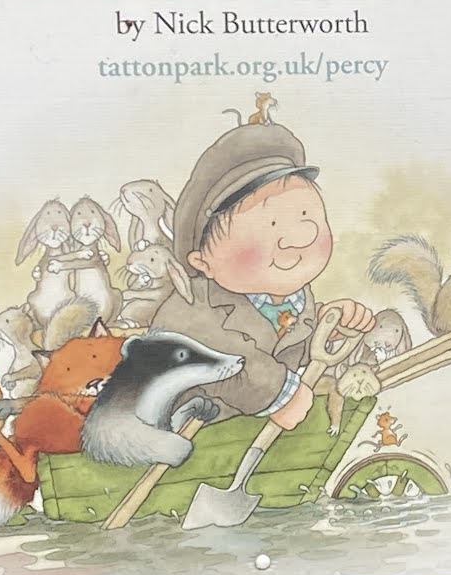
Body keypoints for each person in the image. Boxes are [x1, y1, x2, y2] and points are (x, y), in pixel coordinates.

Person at [150, 120, 376, 430]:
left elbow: (290, 345)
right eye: (268, 226)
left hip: (247, 437)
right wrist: (277, 393)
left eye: (305, 216)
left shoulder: (298, 301)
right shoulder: (191, 308)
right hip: (188, 431)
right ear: (203, 263)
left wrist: (329, 324)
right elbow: (215, 356)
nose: (299, 237)